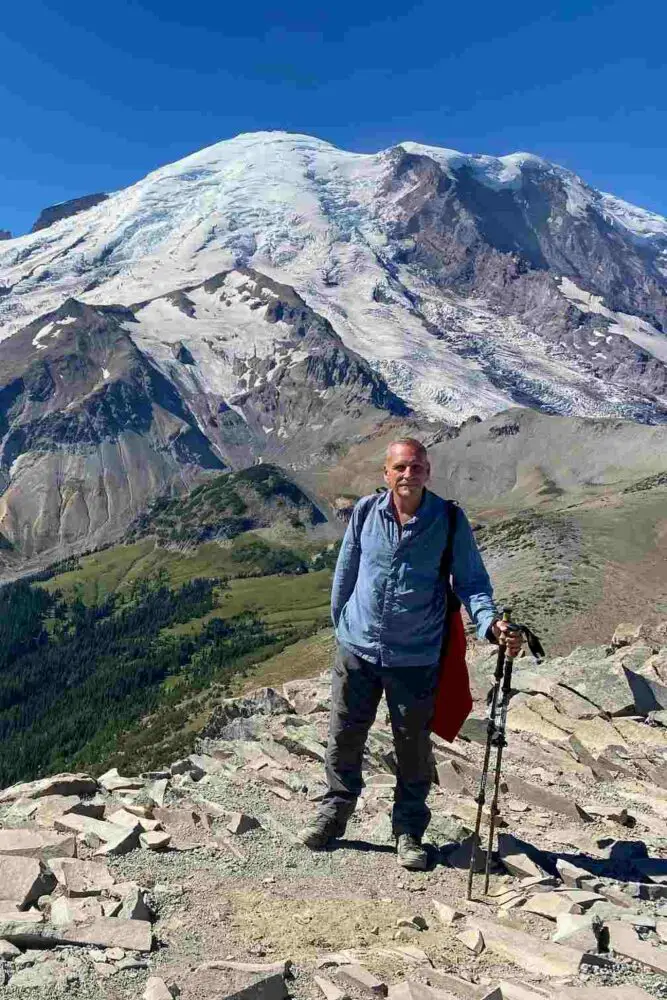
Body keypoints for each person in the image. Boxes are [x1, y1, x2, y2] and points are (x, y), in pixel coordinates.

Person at [298, 437, 523, 870]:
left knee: (412, 747)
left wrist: (491, 624)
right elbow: (346, 571)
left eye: (416, 467)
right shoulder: (366, 512)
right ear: (386, 473)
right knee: (344, 735)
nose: (408, 474)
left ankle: (408, 832)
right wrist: (344, 624)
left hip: (415, 655)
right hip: (358, 648)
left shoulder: (449, 520)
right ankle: (333, 814)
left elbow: (472, 583)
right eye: (400, 467)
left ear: (427, 472)